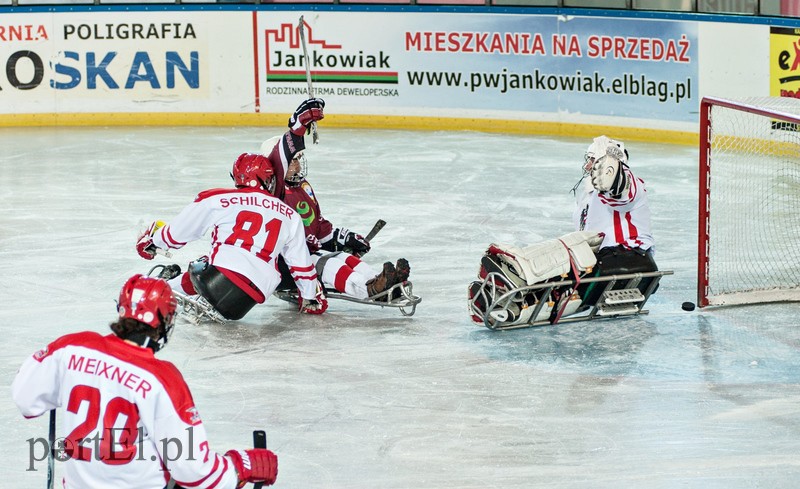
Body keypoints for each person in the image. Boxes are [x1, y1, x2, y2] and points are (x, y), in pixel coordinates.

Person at [11, 274, 278, 488]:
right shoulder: (161, 378)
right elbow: (193, 472)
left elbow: (26, 399)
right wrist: (239, 467)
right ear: (165, 321)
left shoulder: (71, 347)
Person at [136, 150, 327, 320]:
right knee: (229, 264)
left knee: (204, 263)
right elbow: (300, 263)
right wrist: (310, 297)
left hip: (216, 279)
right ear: (268, 179)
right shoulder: (291, 215)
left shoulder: (216, 198)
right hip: (251, 299)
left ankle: (162, 290)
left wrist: (152, 242)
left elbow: (178, 233)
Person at [263, 136, 411, 301]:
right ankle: (369, 290)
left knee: (344, 258)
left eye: (298, 159)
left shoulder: (303, 187)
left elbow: (318, 226)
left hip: (305, 253)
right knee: (329, 264)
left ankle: (386, 283)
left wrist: (343, 238)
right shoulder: (272, 195)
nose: (297, 165)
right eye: (292, 161)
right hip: (283, 263)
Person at [572, 135, 658, 306]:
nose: (587, 166)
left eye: (592, 160)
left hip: (627, 259)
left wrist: (613, 172)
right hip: (600, 263)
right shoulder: (587, 197)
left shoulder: (631, 184)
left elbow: (623, 194)